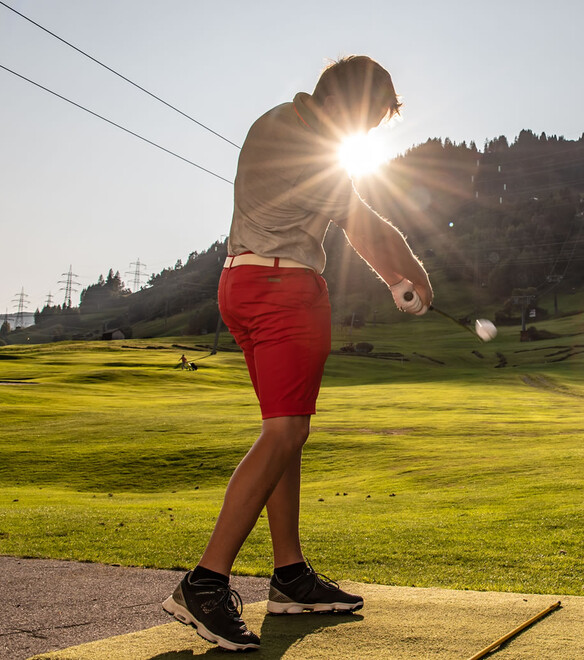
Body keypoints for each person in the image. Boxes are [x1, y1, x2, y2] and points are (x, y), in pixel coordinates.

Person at [161, 55, 433, 651]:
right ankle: (204, 583)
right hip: (285, 288)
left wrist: (391, 276)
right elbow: (365, 226)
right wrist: (412, 275)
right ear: (351, 102)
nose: (364, 135)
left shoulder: (276, 122)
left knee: (287, 430)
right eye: (369, 120)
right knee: (285, 433)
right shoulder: (316, 142)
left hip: (242, 282)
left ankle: (288, 575)